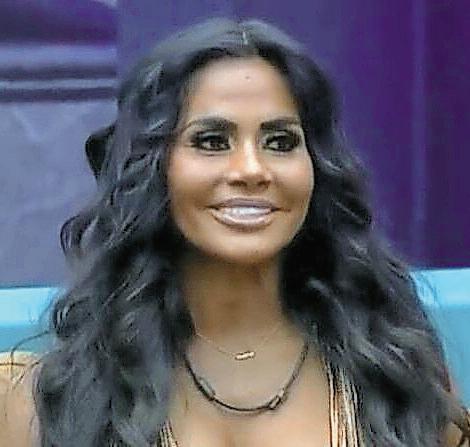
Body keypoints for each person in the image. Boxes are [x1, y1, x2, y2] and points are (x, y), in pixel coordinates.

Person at [0, 17, 469, 447]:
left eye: (280, 142)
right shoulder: (41, 402)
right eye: (211, 141)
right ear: (150, 168)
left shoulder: (399, 383)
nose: (251, 169)